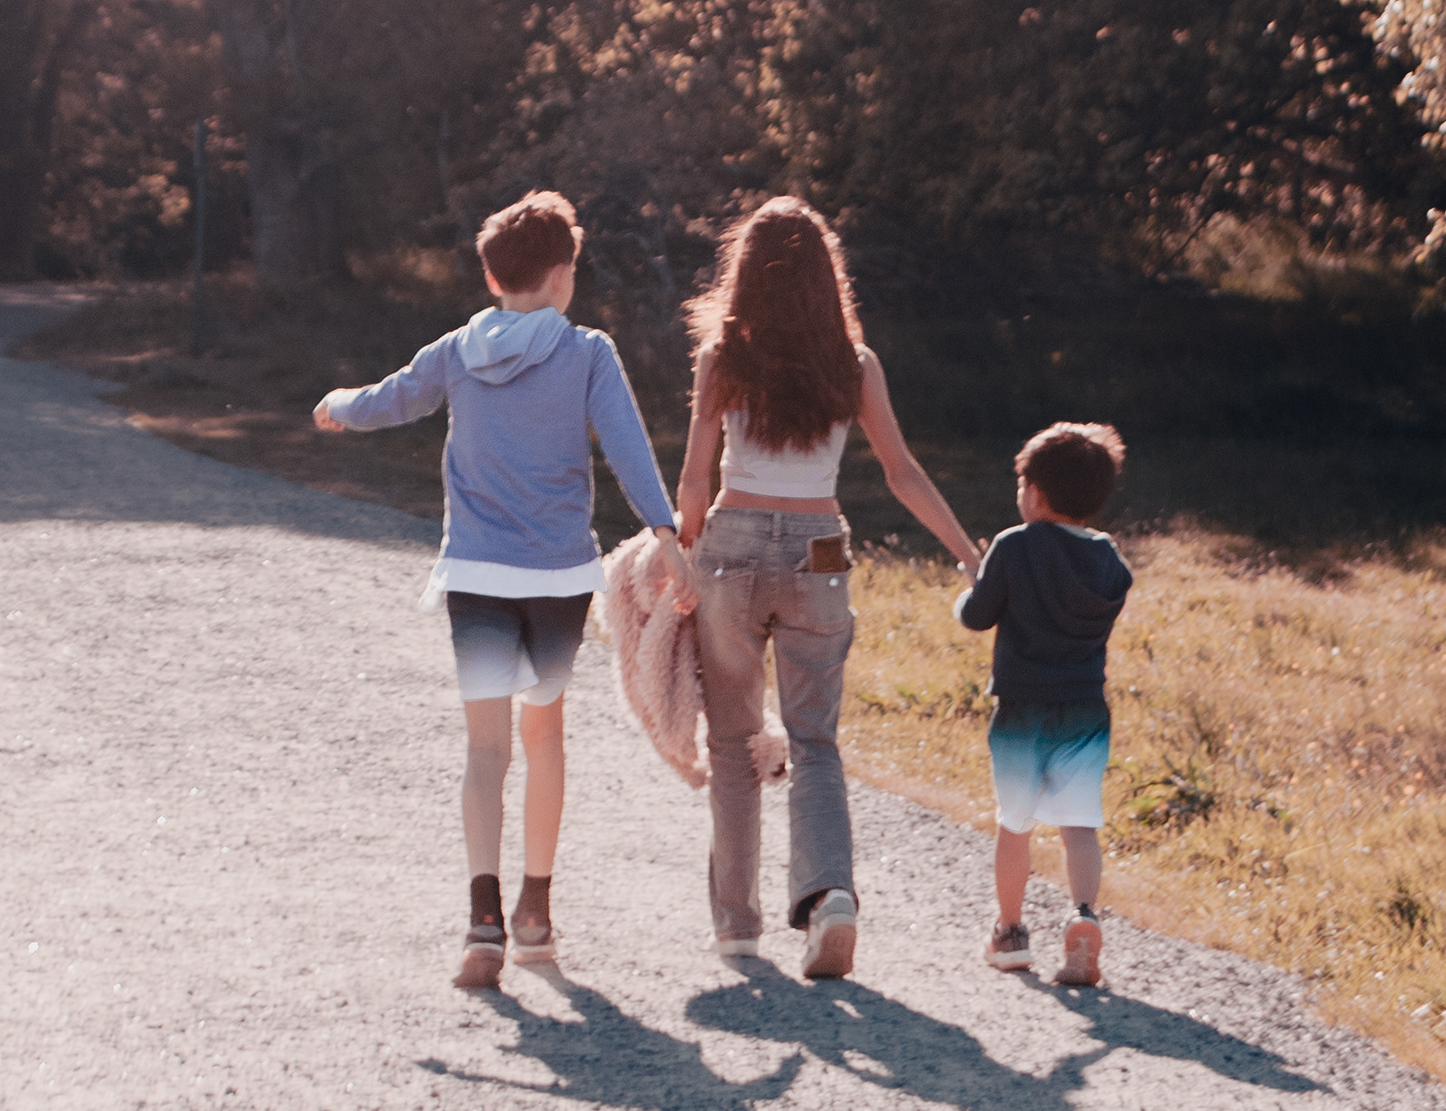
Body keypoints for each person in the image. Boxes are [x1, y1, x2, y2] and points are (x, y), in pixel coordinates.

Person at [317, 190, 689, 988]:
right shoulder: (588, 352)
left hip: (477, 576)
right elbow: (627, 449)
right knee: (543, 736)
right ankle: (535, 913)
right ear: (563, 275)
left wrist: (339, 405)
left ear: (491, 275)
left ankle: (481, 922)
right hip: (558, 577)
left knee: (484, 749)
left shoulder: (458, 349)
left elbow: (391, 399)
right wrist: (667, 535)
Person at [673, 199, 982, 978]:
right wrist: (968, 551)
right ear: (826, 280)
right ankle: (830, 897)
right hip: (818, 548)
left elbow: (693, 478)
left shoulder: (722, 358)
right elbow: (901, 472)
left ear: (743, 274)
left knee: (734, 743)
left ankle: (738, 928)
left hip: (733, 543)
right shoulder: (854, 365)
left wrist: (678, 556)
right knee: (814, 741)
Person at [957, 421, 1135, 989]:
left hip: (1021, 712)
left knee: (1015, 824)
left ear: (1033, 492)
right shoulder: (1108, 559)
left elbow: (977, 615)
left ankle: (1010, 933)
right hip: (1084, 710)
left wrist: (973, 585)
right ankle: (1083, 916)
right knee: (1080, 824)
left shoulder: (1013, 545)